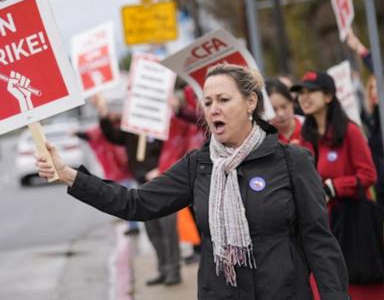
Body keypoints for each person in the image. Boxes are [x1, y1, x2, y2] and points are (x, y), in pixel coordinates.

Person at [36, 64, 349, 299]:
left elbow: (319, 242)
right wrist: (69, 175)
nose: (213, 109)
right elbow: (136, 203)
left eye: (224, 99)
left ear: (250, 102)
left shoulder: (291, 161)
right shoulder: (199, 166)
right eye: (208, 102)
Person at [291, 70, 382, 300]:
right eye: (301, 93)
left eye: (311, 91)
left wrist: (335, 187)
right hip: (321, 224)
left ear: (329, 96)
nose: (304, 97)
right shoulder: (305, 137)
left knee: (361, 288)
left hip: (355, 224)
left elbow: (368, 175)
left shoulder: (349, 131)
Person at [93, 94, 181, 286]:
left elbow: (175, 148)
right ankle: (163, 269)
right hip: (143, 187)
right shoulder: (132, 131)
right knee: (153, 231)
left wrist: (162, 169)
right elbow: (112, 135)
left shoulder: (163, 127)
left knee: (168, 231)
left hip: (164, 186)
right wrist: (103, 114)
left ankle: (174, 271)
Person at [345, 29, 384, 207]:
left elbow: (379, 72)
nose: (375, 91)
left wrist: (360, 48)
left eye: (379, 87)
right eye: (372, 87)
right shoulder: (373, 119)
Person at [265, 78, 303, 145]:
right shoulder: (264, 138)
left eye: (284, 107)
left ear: (292, 102)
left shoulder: (308, 126)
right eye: (274, 110)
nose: (280, 114)